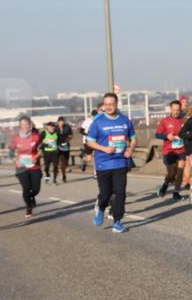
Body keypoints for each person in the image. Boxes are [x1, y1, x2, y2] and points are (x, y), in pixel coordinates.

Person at [85, 93, 136, 233]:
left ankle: (117, 222)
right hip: (103, 163)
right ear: (103, 105)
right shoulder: (98, 121)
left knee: (120, 193)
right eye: (106, 104)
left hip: (120, 162)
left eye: (111, 104)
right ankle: (101, 208)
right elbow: (90, 141)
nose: (109, 106)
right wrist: (104, 148)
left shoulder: (125, 120)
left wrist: (130, 149)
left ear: (117, 103)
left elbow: (133, 138)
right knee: (105, 193)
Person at [9, 116, 42, 218]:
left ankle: (31, 198)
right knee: (26, 188)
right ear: (20, 126)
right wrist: (16, 160)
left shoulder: (36, 136)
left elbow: (41, 149)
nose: (25, 126)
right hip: (21, 168)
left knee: (36, 189)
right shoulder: (16, 138)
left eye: (27, 124)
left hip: (34, 167)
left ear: (30, 125)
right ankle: (29, 208)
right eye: (23, 124)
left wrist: (36, 156)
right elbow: (11, 152)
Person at [155, 100, 187, 200]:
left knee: (181, 170)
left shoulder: (183, 120)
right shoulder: (165, 121)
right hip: (169, 151)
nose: (176, 112)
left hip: (181, 150)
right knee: (172, 174)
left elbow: (188, 132)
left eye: (178, 110)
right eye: (174, 110)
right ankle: (165, 185)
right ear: (170, 109)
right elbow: (157, 134)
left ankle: (176, 192)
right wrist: (166, 136)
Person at [56, 117, 74, 182]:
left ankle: (63, 170)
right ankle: (63, 175)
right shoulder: (55, 128)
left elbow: (71, 135)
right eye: (60, 122)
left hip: (66, 145)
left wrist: (69, 138)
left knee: (66, 162)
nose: (61, 123)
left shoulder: (67, 127)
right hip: (57, 145)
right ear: (57, 122)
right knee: (61, 160)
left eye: (62, 122)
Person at [79, 109, 96, 173]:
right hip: (86, 141)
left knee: (96, 157)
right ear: (91, 115)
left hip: (96, 141)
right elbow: (81, 131)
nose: (94, 117)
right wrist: (88, 134)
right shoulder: (87, 121)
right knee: (89, 159)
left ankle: (96, 173)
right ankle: (83, 159)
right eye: (93, 116)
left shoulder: (97, 121)